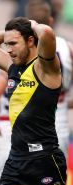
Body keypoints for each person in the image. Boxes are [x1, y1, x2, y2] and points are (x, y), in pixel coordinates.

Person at [0, 17, 66, 185]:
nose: (8, 49)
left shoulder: (46, 67)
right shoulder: (12, 67)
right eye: (6, 44)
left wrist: (30, 26)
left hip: (44, 158)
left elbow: (47, 33)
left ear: (30, 40)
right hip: (16, 159)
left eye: (13, 44)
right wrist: (15, 32)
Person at [25, 0, 73, 156]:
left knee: (30, 177)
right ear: (51, 20)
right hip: (59, 122)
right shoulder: (68, 47)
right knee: (57, 177)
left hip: (31, 122)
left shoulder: (23, 48)